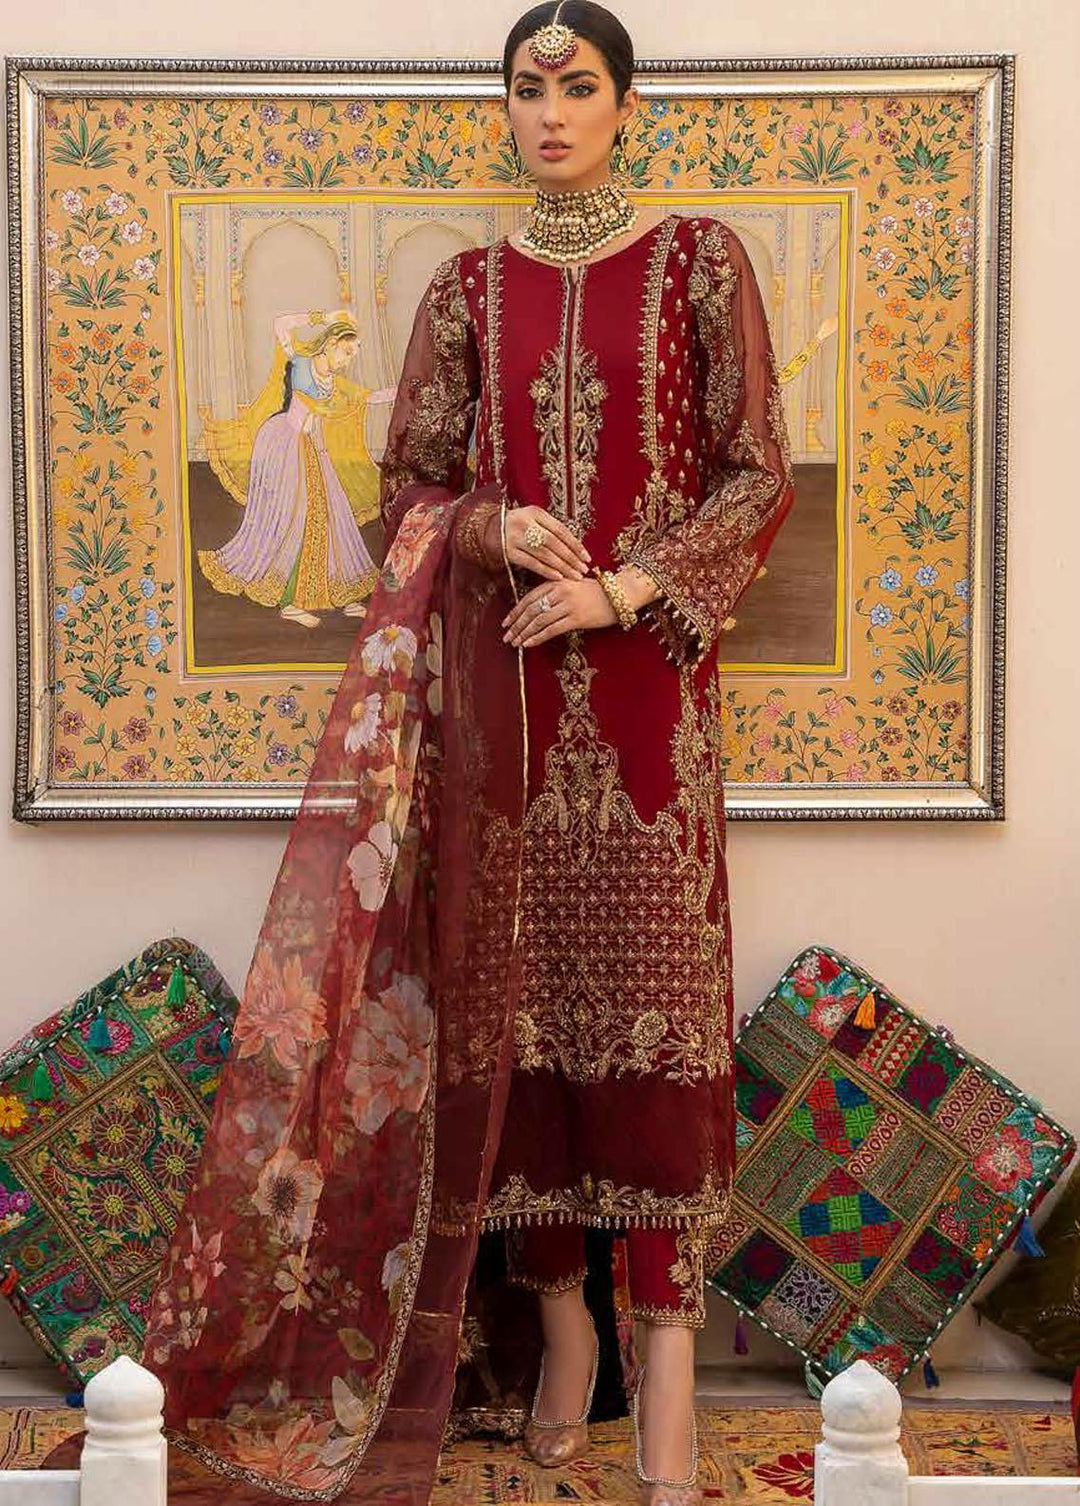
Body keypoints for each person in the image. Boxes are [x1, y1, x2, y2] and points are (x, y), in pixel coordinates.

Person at [136, 5, 793, 1504]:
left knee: (655, 1019)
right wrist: (492, 526)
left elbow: (756, 471)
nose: (548, 112)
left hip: (647, 701)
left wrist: (624, 587)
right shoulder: (470, 290)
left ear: (625, 105)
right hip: (499, 705)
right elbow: (414, 486)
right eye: (525, 88)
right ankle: (562, 1335)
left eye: (577, 86)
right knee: (515, 1021)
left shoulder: (699, 263)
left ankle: (668, 1366)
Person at [198, 311, 392, 626]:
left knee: (330, 515)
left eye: (352, 356)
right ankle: (290, 601)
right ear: (330, 344)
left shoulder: (336, 383)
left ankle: (341, 595)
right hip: (282, 445)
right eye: (346, 352)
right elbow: (280, 323)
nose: (347, 361)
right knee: (293, 516)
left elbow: (371, 398)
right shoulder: (300, 362)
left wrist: (408, 386)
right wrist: (324, 316)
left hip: (311, 448)